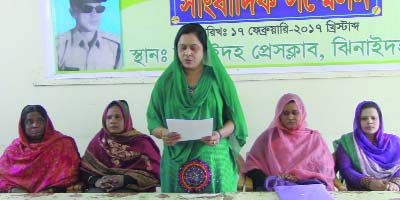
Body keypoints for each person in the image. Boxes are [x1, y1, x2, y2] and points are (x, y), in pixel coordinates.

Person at [146, 23, 247, 193]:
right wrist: (163, 133)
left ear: (205, 50)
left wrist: (219, 134)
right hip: (175, 159)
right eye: (182, 48)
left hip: (214, 157)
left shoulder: (218, 79)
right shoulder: (166, 81)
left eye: (194, 48)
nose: (187, 53)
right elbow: (153, 120)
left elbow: (234, 121)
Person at [242, 93, 335, 191]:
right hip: (276, 189)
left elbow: (325, 168)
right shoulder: (268, 137)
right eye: (285, 113)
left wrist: (298, 177)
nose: (290, 117)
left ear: (302, 113)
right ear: (279, 115)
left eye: (295, 113)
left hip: (307, 189)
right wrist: (277, 179)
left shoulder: (314, 138)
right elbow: (252, 163)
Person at [81, 100, 160, 192]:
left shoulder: (142, 143)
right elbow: (84, 170)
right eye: (109, 117)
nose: (112, 121)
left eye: (117, 117)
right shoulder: (99, 140)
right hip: (102, 188)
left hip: (132, 189)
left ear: (126, 119)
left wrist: (124, 180)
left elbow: (155, 173)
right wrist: (96, 181)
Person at [0, 105, 81, 193]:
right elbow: (2, 177)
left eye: (40, 121)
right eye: (29, 122)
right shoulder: (15, 149)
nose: (35, 125)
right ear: (23, 126)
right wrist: (14, 190)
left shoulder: (63, 144)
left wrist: (53, 190)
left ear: (47, 123)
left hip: (55, 194)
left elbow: (72, 176)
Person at [334, 101, 400, 191]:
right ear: (358, 121)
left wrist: (395, 183)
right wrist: (369, 183)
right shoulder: (348, 142)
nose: (369, 121)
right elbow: (346, 170)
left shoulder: (394, 142)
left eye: (373, 118)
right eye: (364, 119)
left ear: (380, 120)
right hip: (359, 192)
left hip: (392, 191)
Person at [56, 0, 121, 71]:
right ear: (73, 12)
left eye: (99, 9)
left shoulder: (115, 46)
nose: (94, 14)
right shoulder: (58, 45)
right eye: (87, 8)